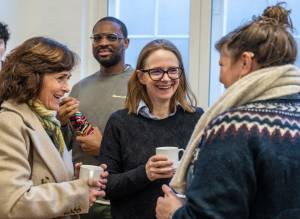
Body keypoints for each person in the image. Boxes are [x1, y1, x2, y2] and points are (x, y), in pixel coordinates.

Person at [156, 3, 300, 219]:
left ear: (245, 62)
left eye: (221, 65)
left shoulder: (234, 127)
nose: (220, 78)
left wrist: (174, 214)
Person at [0, 36, 108, 219]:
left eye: (68, 78)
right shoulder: (9, 122)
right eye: (60, 78)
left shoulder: (48, 122)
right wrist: (78, 192)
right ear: (32, 78)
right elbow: (12, 204)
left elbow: (39, 177)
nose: (67, 88)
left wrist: (68, 176)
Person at [98, 39, 204, 219]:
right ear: (141, 77)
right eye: (156, 71)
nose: (166, 78)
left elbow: (208, 180)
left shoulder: (196, 118)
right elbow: (106, 187)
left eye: (172, 70)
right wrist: (145, 173)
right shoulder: (120, 122)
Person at [58, 16, 133, 219]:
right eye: (97, 38)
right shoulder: (79, 87)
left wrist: (104, 149)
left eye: (111, 37)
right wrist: (62, 123)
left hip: (120, 200)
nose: (103, 43)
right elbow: (64, 145)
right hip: (81, 198)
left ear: (126, 42)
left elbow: (147, 149)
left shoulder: (140, 86)